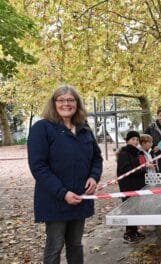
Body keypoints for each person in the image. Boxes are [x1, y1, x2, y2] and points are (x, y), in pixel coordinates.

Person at [27, 84, 103, 264]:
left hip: (80, 198)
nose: (66, 103)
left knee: (76, 244)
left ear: (77, 103)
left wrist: (94, 176)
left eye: (70, 100)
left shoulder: (84, 129)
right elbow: (38, 167)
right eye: (61, 100)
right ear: (53, 104)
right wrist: (63, 193)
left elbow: (97, 159)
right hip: (55, 199)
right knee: (55, 246)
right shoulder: (42, 128)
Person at [117, 131, 146, 244]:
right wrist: (143, 168)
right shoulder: (124, 153)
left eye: (137, 140)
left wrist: (144, 167)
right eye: (133, 139)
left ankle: (134, 231)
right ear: (128, 140)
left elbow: (139, 166)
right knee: (129, 208)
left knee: (136, 208)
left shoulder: (137, 152)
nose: (135, 141)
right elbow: (127, 170)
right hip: (128, 185)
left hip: (137, 184)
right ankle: (128, 233)